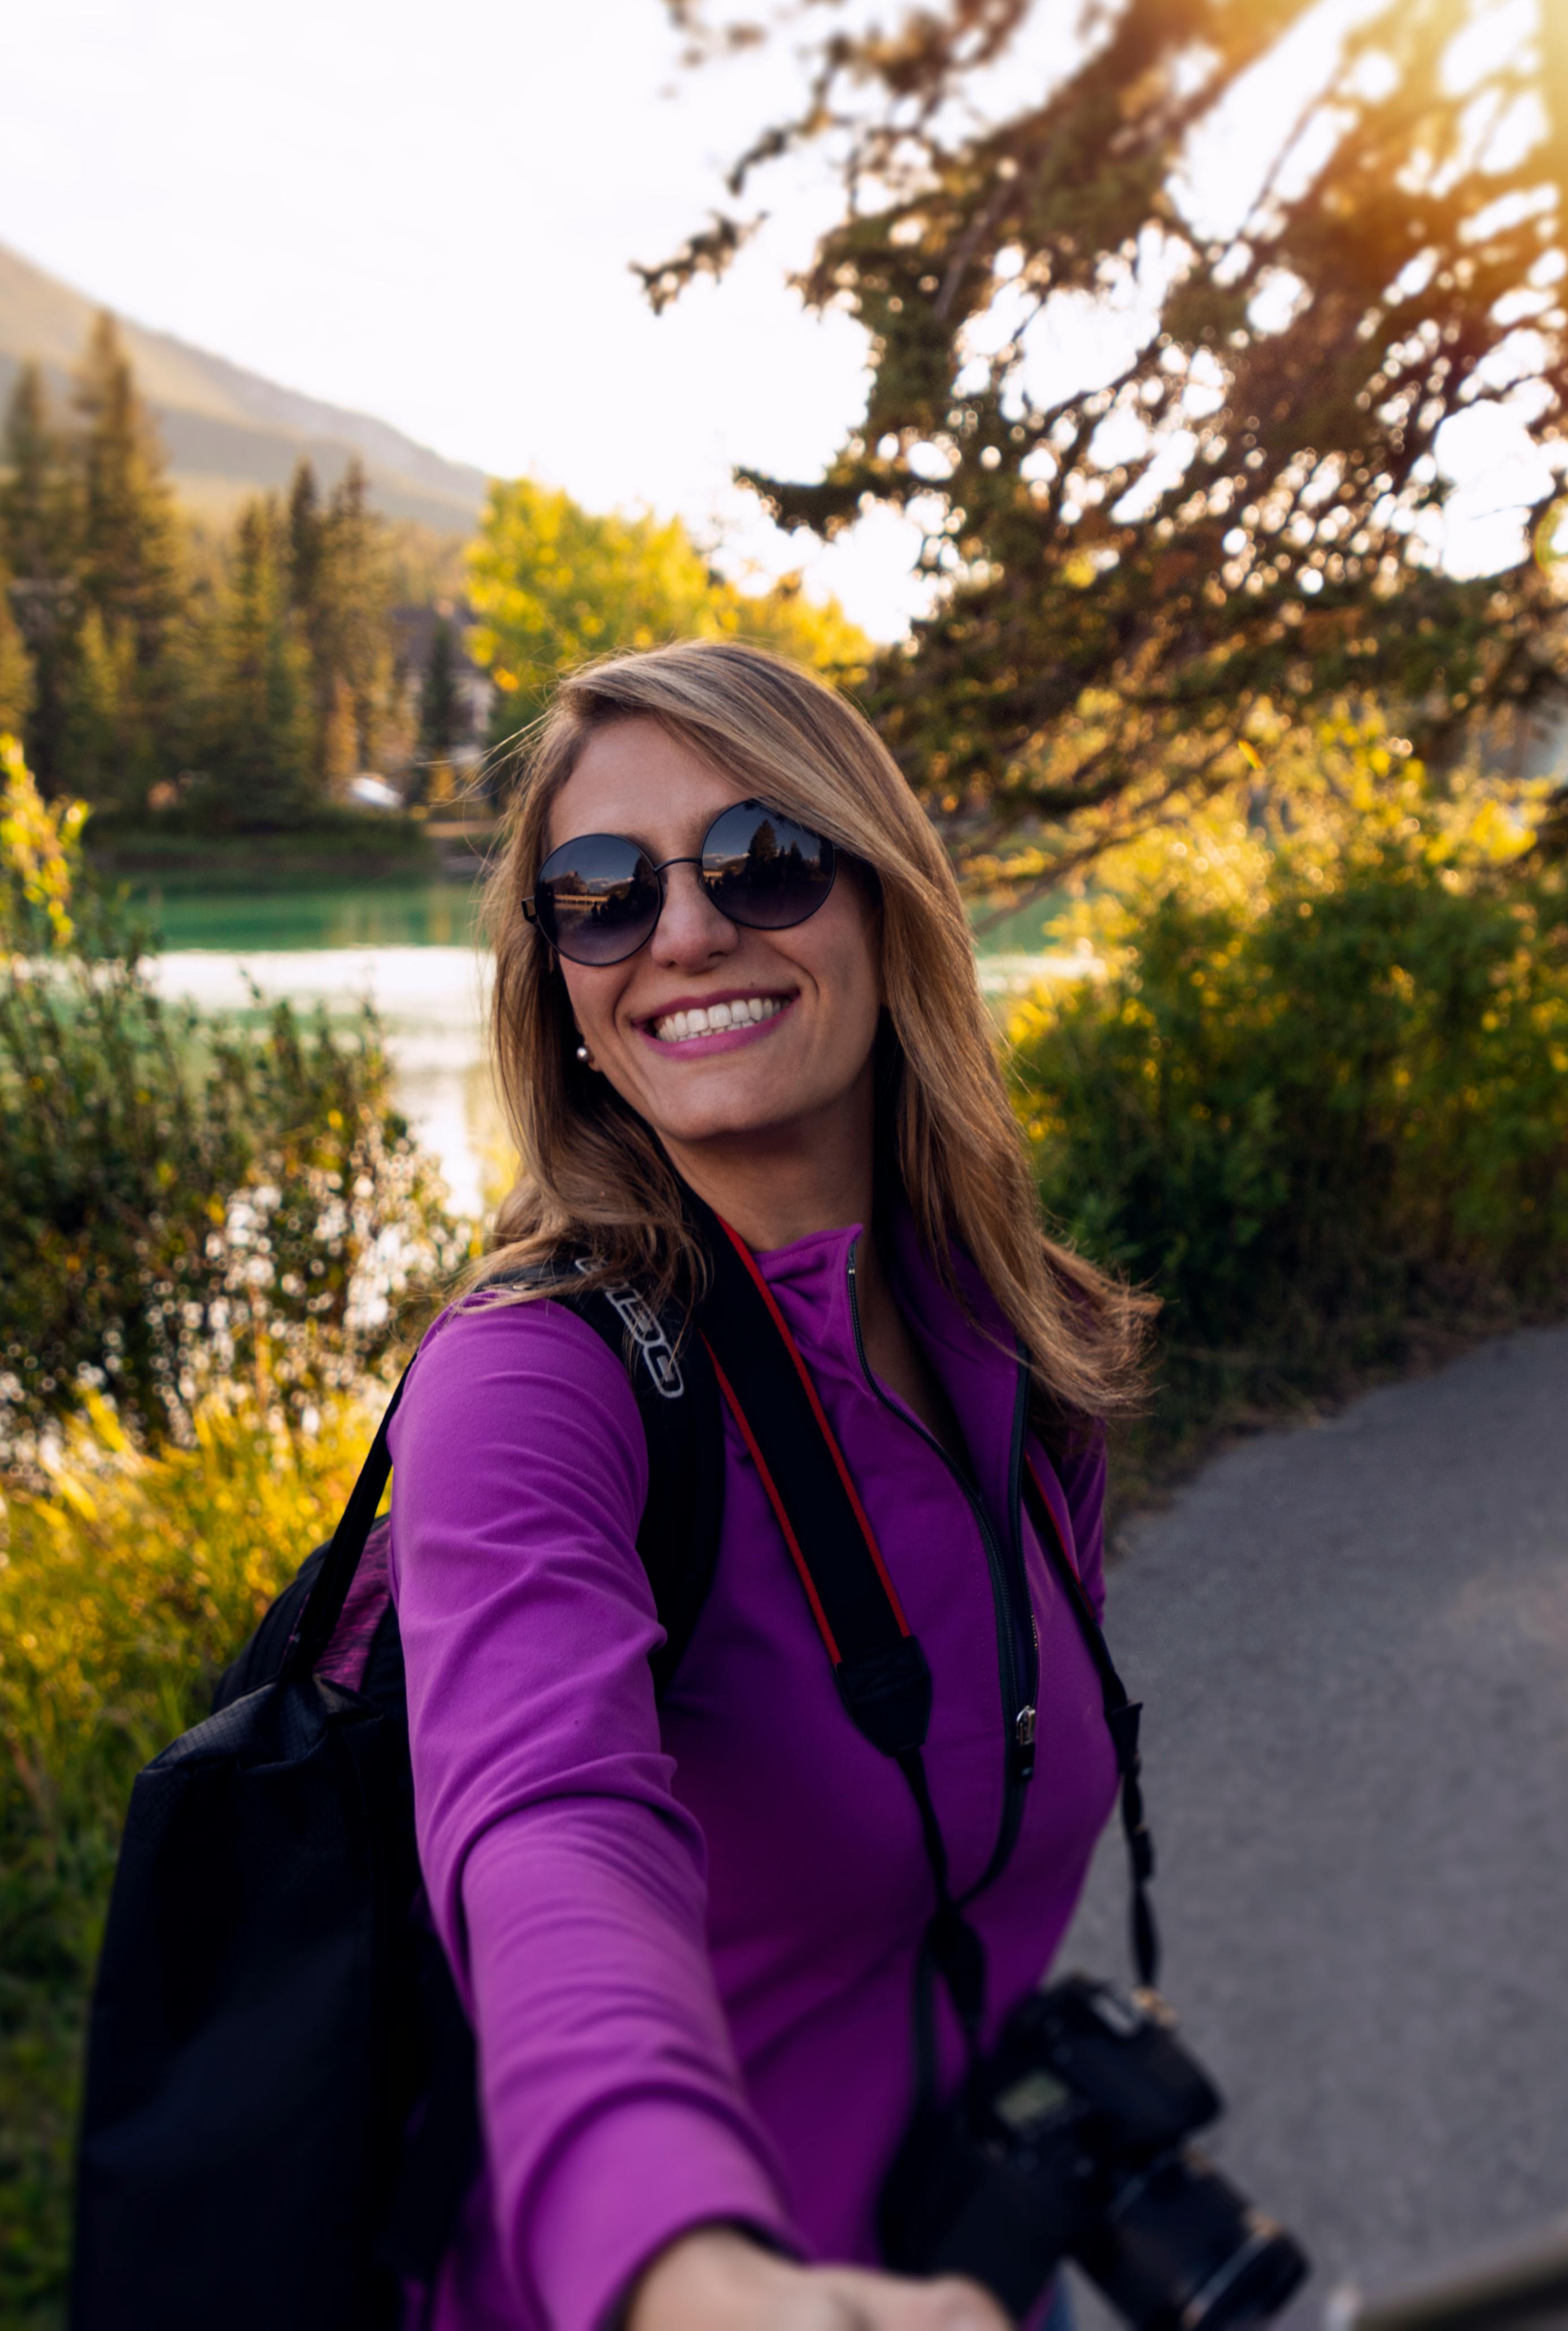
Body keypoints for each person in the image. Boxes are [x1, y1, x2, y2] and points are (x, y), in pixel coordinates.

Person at [389, 641, 1153, 2331]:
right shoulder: (531, 1385)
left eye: (763, 860)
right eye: (601, 897)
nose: (682, 933)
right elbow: (548, 1832)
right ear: (564, 992)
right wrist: (686, 2264)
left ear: (887, 905)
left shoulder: (1018, 1350)